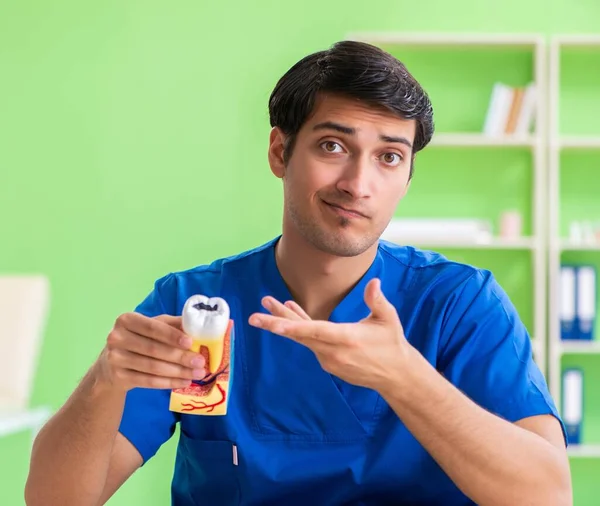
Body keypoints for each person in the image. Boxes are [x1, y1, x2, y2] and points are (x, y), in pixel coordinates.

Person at [25, 40, 572, 506]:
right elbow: (55, 498)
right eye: (333, 146)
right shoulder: (196, 305)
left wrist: (405, 377)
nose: (359, 184)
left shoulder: (458, 305)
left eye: (388, 157)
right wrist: (105, 381)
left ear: (407, 176)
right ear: (279, 151)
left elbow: (547, 494)